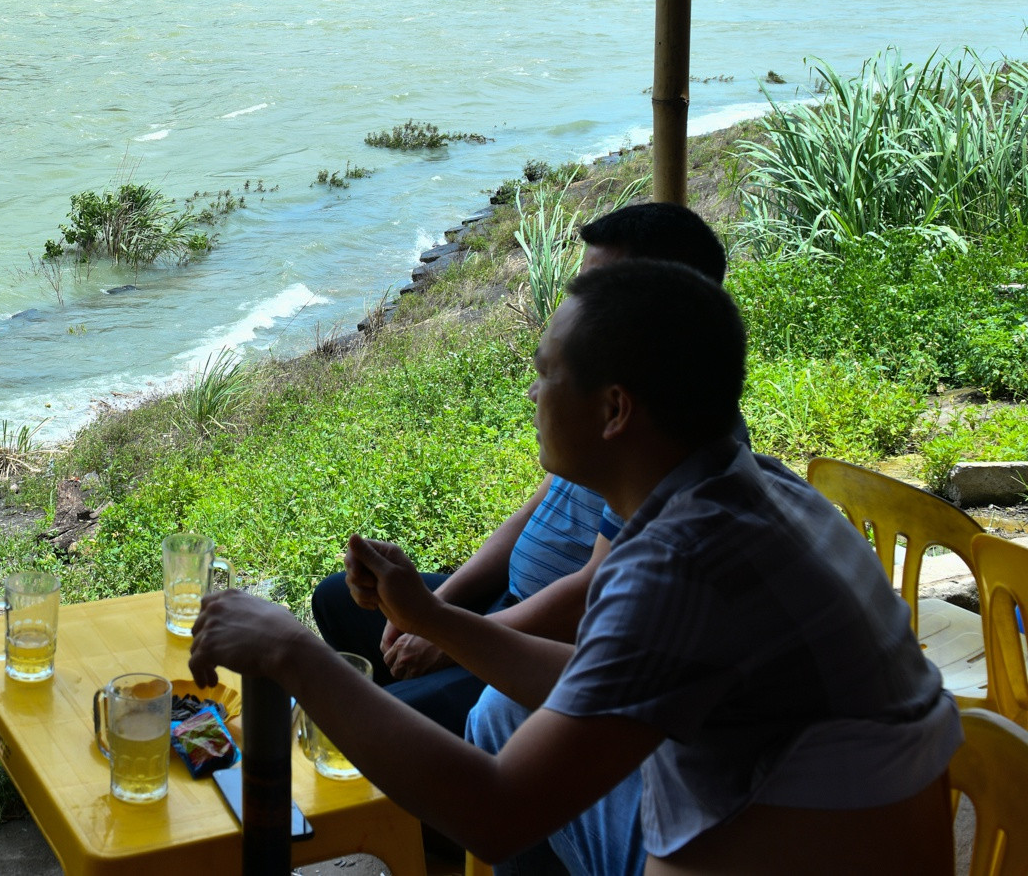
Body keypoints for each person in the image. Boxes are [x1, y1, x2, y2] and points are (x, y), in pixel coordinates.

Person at [189, 260, 959, 876]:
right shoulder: (747, 488)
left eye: (546, 371)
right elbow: (602, 683)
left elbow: (498, 811)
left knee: (495, 751)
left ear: (614, 409)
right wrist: (431, 616)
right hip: (812, 826)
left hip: (804, 846)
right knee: (500, 715)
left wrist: (294, 655)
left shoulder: (683, 563)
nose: (531, 390)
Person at [310, 201, 730, 747]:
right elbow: (534, 514)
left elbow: (590, 602)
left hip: (546, 647)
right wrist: (436, 609)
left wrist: (442, 630)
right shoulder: (601, 419)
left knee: (362, 722)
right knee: (335, 600)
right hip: (511, 606)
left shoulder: (654, 442)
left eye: (598, 295)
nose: (575, 307)